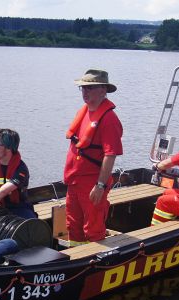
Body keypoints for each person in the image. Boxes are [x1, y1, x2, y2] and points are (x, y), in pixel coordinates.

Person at [63, 69, 123, 247]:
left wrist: (100, 186)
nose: (85, 92)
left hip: (92, 183)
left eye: (90, 88)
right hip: (74, 181)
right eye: (83, 88)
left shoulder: (109, 119)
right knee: (73, 226)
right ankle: (76, 260)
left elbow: (110, 155)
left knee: (93, 229)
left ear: (103, 90)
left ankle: (95, 265)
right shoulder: (84, 112)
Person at [0, 129, 36, 219]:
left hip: (18, 207)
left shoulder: (21, 169)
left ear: (8, 148)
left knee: (32, 225)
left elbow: (3, 191)